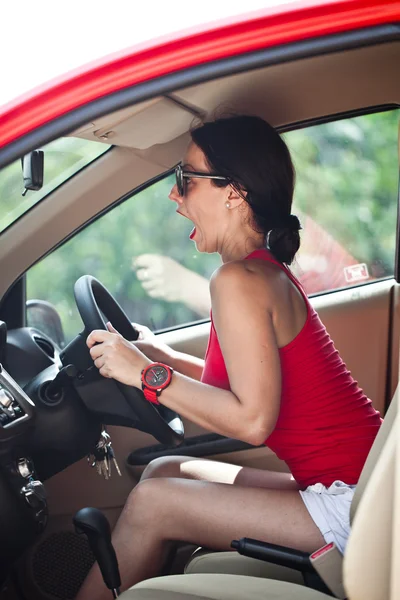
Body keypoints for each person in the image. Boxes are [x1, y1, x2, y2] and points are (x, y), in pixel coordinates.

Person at [76, 115, 382, 600]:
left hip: (359, 505)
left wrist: (146, 374)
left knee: (154, 502)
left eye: (185, 179)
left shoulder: (239, 281)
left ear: (234, 192)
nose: (174, 196)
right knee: (166, 472)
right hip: (363, 484)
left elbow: (254, 420)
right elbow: (245, 387)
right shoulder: (254, 273)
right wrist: (160, 356)